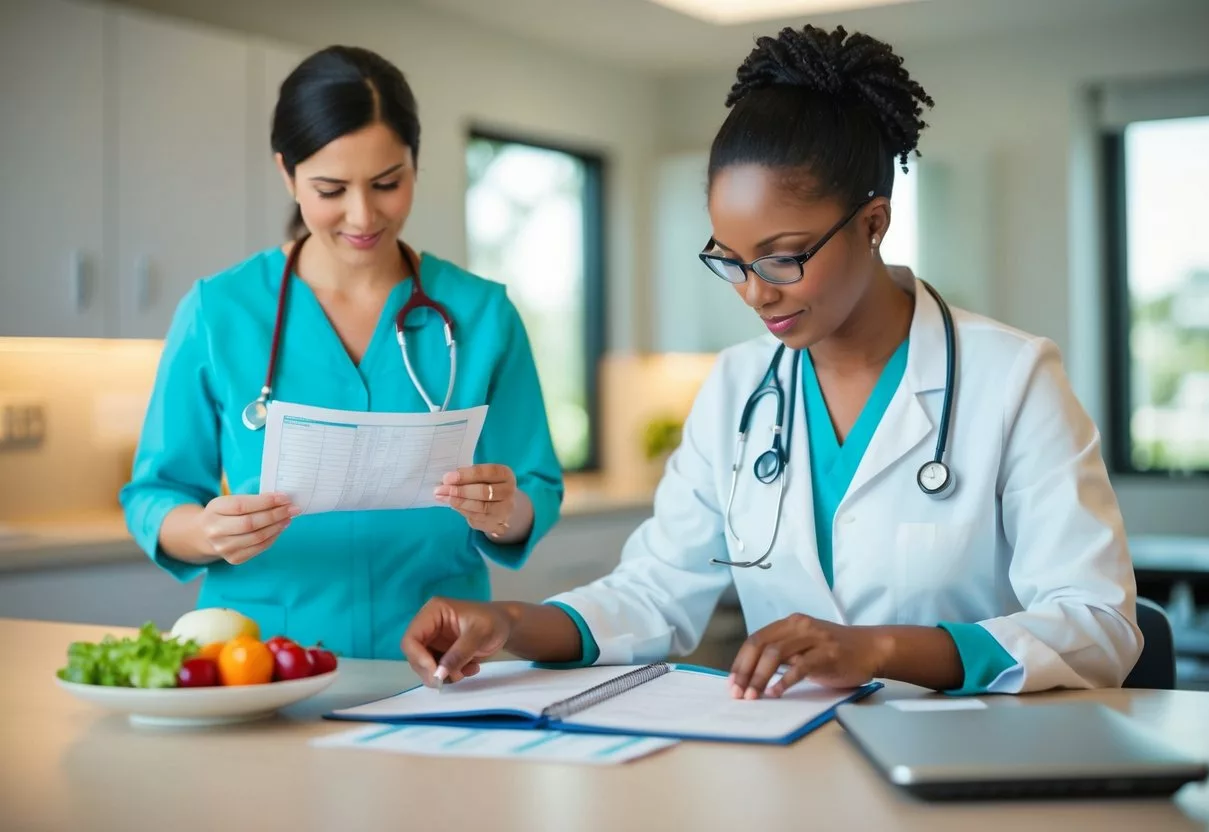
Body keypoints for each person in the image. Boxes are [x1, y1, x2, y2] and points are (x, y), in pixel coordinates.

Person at [399, 24, 1142, 696]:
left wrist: (878, 648)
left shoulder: (1011, 380)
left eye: (783, 259)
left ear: (873, 222)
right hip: (790, 760)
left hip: (964, 764)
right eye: (730, 260)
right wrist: (509, 624)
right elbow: (656, 589)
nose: (754, 293)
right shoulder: (736, 388)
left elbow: (1097, 624)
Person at [120, 46, 563, 660]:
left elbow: (536, 486)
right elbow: (155, 492)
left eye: (388, 183)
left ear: (415, 164)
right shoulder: (218, 311)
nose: (363, 215)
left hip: (438, 656)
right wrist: (205, 531)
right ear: (287, 174)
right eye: (330, 189)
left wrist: (503, 508)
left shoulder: (483, 315)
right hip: (263, 661)